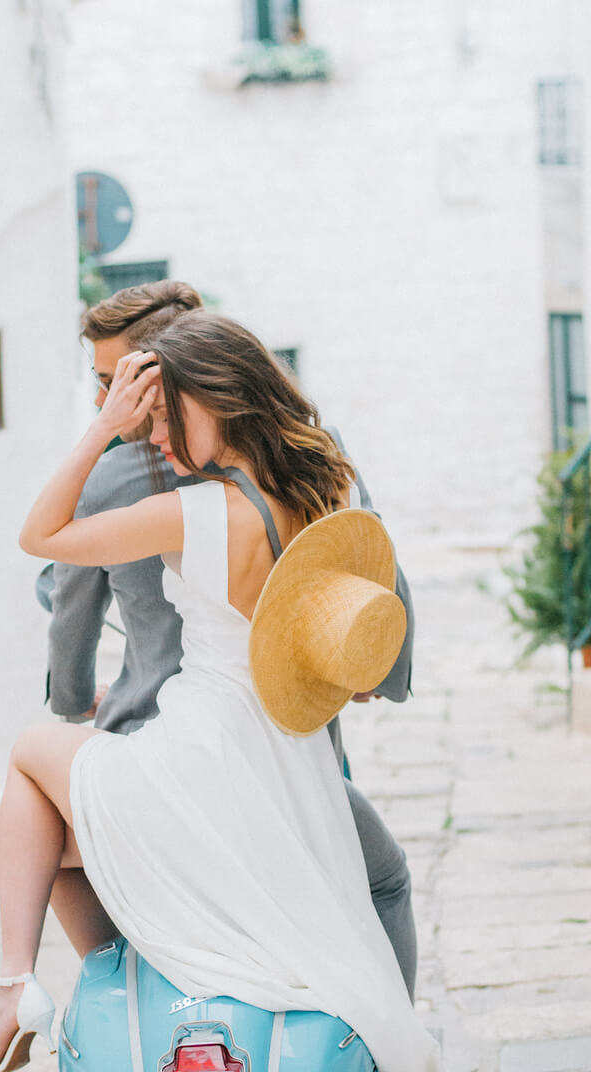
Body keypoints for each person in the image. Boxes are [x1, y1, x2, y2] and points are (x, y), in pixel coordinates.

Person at [0, 313, 472, 1072]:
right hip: (287, 766)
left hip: (200, 760)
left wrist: (101, 429)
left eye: (167, 415)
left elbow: (39, 535)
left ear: (218, 399)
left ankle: (19, 984)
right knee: (62, 834)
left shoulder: (198, 511)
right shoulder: (316, 495)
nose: (155, 436)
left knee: (29, 760)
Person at [48, 281, 420, 998]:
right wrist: (375, 671)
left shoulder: (106, 482)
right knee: (376, 881)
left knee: (78, 859)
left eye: (115, 380)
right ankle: (376, 1036)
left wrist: (71, 700)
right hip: (284, 728)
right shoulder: (308, 454)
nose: (105, 400)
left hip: (146, 734)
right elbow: (373, 567)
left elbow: (71, 609)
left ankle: (121, 1004)